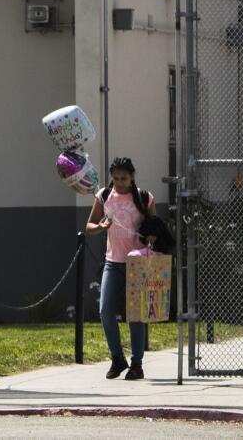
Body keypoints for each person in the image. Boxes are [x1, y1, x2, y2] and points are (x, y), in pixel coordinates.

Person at [85, 157, 157, 380]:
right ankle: (117, 358)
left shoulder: (144, 197)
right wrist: (100, 226)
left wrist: (152, 238)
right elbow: (89, 226)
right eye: (115, 178)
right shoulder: (104, 196)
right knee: (106, 311)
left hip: (137, 264)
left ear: (132, 176)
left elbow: (155, 227)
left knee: (135, 316)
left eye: (123, 178)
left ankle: (137, 364)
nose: (119, 182)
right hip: (112, 262)